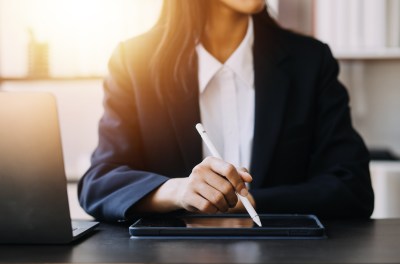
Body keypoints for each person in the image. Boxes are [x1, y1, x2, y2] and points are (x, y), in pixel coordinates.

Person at [78, 0, 374, 222]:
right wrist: (177, 192)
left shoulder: (309, 61)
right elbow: (99, 183)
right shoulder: (134, 62)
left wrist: (252, 200)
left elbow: (353, 187)